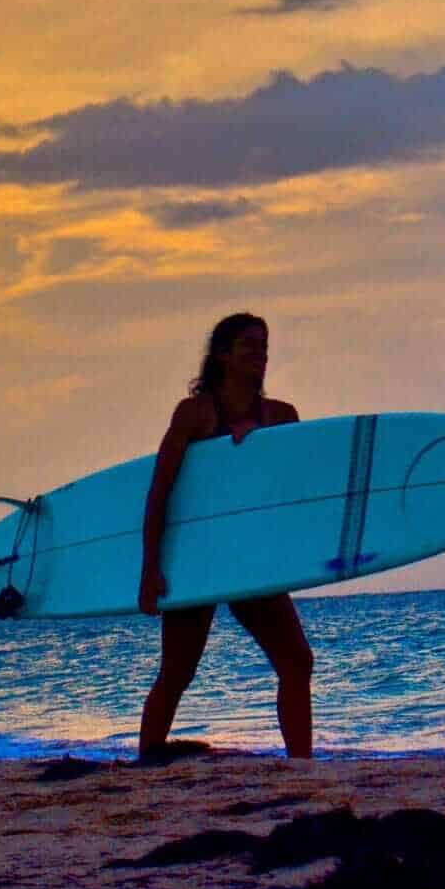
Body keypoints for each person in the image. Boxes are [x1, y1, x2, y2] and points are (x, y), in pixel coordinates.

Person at [136, 313, 314, 761]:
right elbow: (160, 492)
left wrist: (300, 557)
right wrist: (151, 567)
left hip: (250, 559)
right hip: (199, 559)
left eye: (264, 346)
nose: (261, 354)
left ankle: (302, 766)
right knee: (178, 671)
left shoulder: (282, 417)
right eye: (249, 346)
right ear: (221, 356)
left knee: (296, 661)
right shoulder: (195, 415)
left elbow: (298, 492)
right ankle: (148, 760)